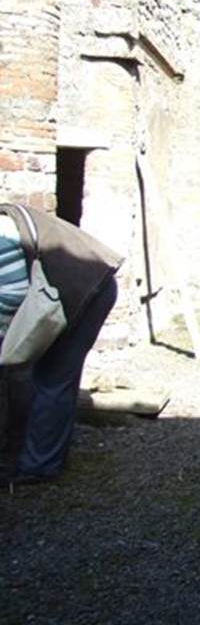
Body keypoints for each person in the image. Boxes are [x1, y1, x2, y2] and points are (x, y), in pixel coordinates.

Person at [0, 202, 122, 485]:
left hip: (88, 292)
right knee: (41, 373)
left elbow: (16, 296)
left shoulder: (2, 240)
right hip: (60, 291)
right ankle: (33, 448)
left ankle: (39, 466)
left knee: (53, 377)